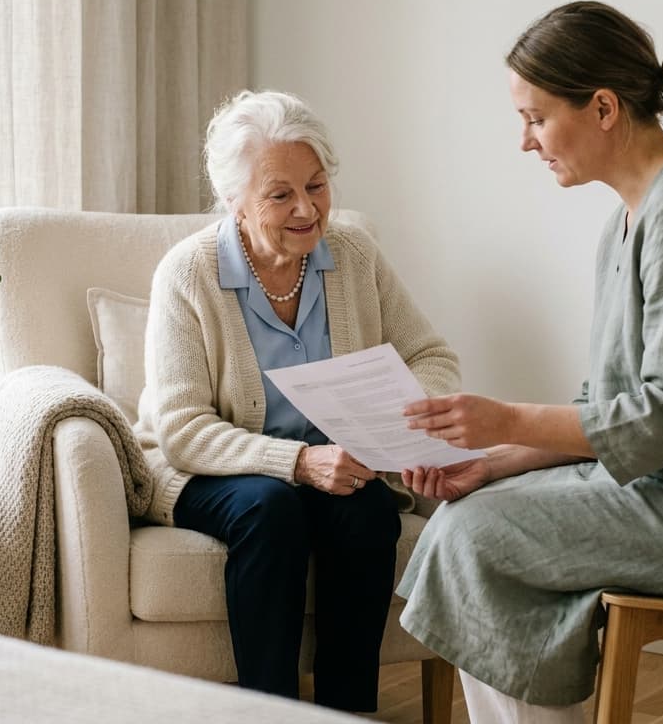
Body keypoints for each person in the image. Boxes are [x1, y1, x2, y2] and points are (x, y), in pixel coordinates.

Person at [393, 1, 663, 723]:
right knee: (467, 513)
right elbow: (610, 403)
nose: (526, 142)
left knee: (476, 538)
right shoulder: (631, 220)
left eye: (536, 118)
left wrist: (501, 419)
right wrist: (497, 458)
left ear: (603, 107)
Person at [136, 89, 460, 713]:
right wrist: (300, 464)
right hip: (212, 471)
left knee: (367, 511)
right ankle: (270, 712)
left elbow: (433, 357)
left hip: (338, 464)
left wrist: (388, 421)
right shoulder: (189, 272)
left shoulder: (355, 255)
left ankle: (348, 711)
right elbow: (179, 427)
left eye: (316, 185)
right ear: (234, 200)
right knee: (270, 508)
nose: (307, 209)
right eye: (280, 194)